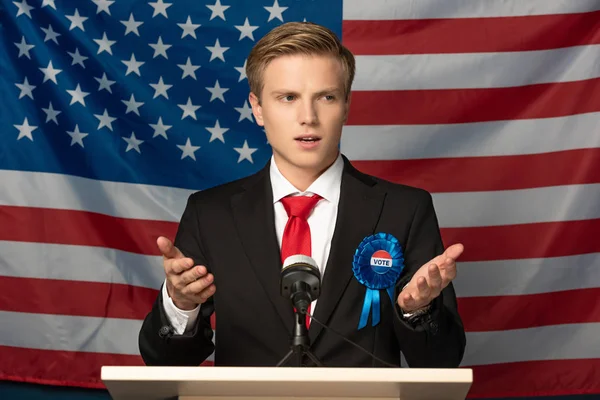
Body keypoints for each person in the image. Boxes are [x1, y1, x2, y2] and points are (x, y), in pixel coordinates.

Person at [138, 21, 466, 368]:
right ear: (258, 108)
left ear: (346, 105)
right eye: (288, 97)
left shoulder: (406, 210)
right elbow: (165, 362)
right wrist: (180, 304)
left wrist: (418, 311)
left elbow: (441, 362)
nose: (308, 117)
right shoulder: (210, 214)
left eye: (326, 97)